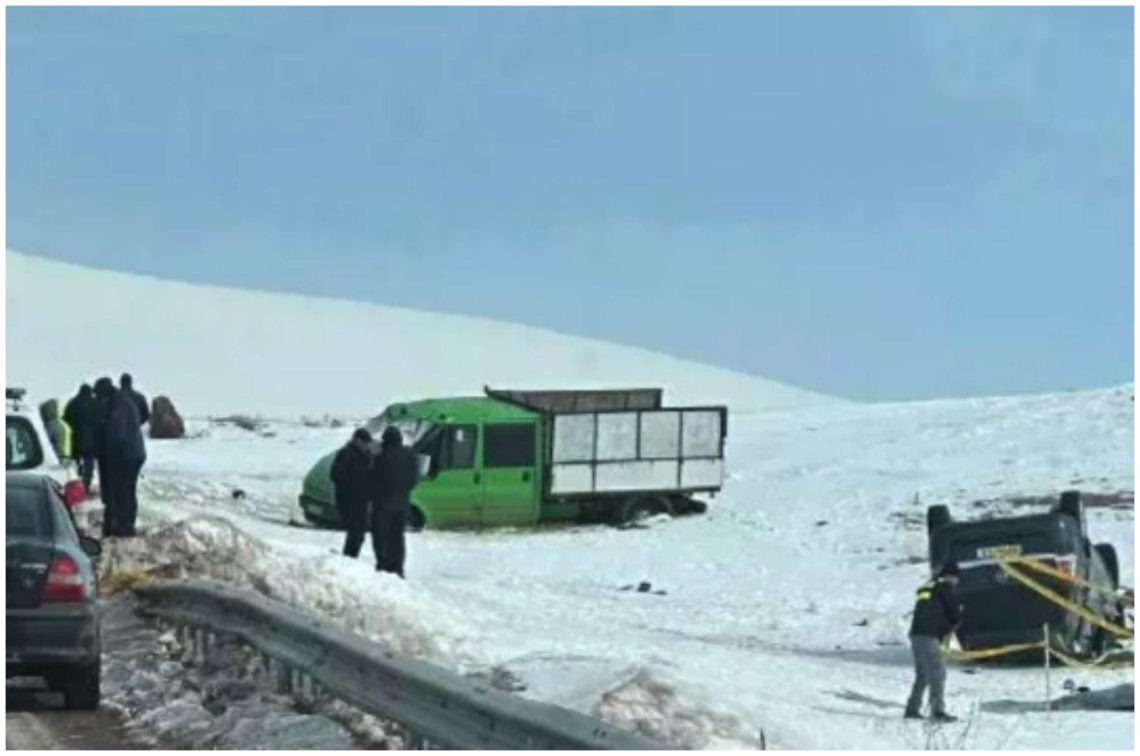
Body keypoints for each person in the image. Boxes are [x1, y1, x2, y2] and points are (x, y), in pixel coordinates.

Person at [905, 562, 962, 722]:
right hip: (929, 636)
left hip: (916, 634)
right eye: (957, 578)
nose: (957, 582)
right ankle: (937, 711)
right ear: (952, 577)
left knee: (923, 674)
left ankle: (912, 709)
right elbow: (954, 614)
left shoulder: (930, 587)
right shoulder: (946, 588)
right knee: (938, 674)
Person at [95, 378, 147, 537]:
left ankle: (122, 527)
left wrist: (106, 452)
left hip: (124, 455)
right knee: (127, 491)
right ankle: (125, 525)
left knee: (120, 491)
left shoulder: (118, 406)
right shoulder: (123, 402)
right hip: (133, 453)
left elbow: (117, 434)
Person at [368, 426, 420, 578]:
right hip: (402, 503)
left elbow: (374, 479)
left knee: (381, 536)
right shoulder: (410, 456)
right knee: (398, 537)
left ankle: (383, 566)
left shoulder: (382, 457)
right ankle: (398, 567)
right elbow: (413, 480)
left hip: (383, 504)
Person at [329, 428, 374, 558]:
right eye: (364, 441)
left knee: (359, 533)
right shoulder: (345, 454)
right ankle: (348, 558)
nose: (366, 444)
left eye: (368, 442)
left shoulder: (368, 456)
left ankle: (351, 558)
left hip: (362, 499)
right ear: (356, 440)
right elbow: (336, 475)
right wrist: (354, 483)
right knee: (355, 531)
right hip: (348, 499)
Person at [63, 384, 99, 493]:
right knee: (89, 463)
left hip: (76, 437)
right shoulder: (95, 403)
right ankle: (86, 484)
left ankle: (77, 480)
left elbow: (65, 418)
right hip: (92, 438)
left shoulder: (73, 402)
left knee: (76, 461)